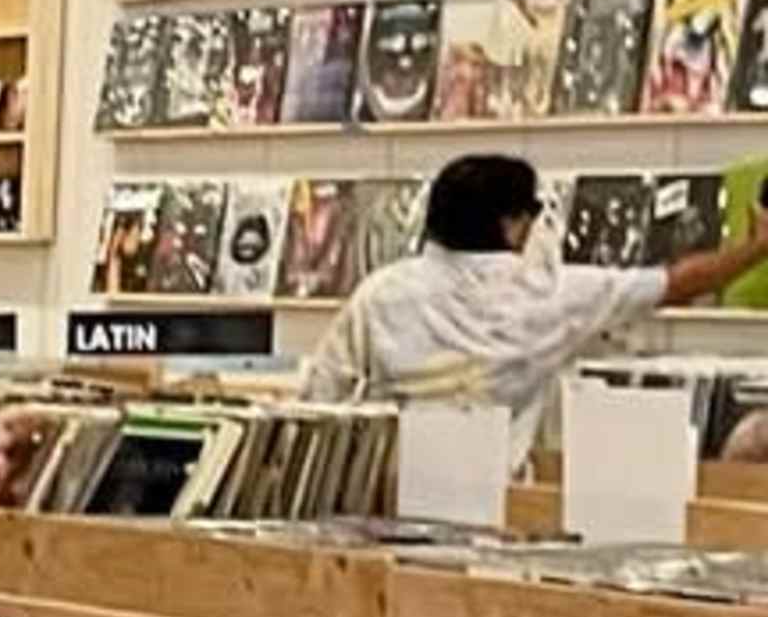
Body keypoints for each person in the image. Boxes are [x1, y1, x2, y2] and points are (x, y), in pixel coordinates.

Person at [296, 150, 768, 423]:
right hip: (499, 500)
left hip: (390, 491)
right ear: (511, 223)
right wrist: (754, 249)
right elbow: (673, 283)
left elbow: (322, 393)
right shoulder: (551, 296)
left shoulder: (381, 293)